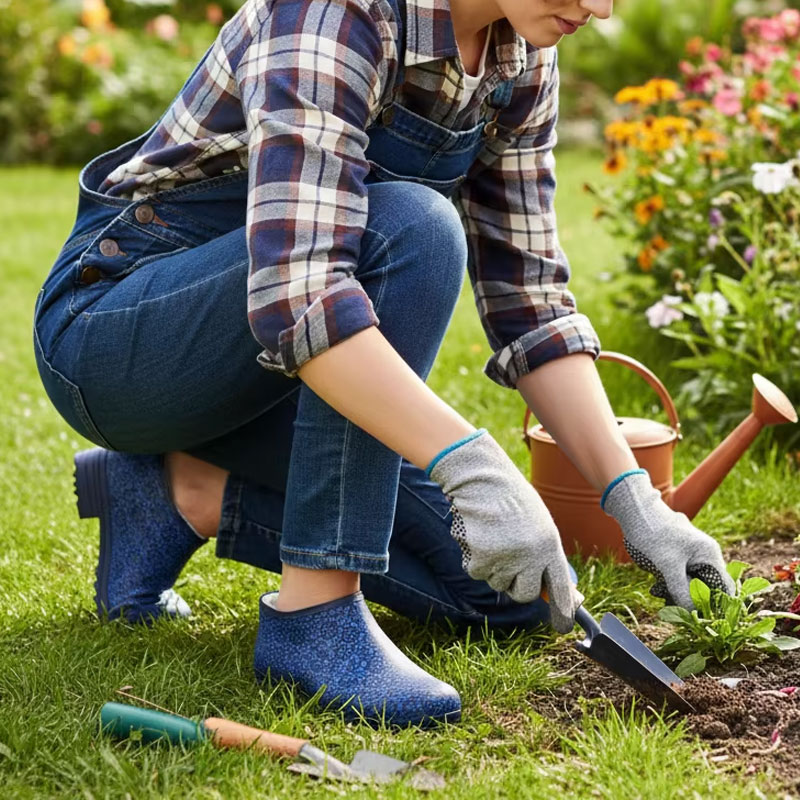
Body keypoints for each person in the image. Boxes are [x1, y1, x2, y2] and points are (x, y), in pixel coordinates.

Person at [33, 0, 734, 728]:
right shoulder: (334, 14)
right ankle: (315, 613)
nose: (600, 8)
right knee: (414, 229)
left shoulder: (518, 58)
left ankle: (187, 491)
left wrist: (636, 504)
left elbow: (531, 303)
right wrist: (472, 464)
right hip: (123, 338)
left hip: (282, 365)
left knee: (510, 592)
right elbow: (301, 291)